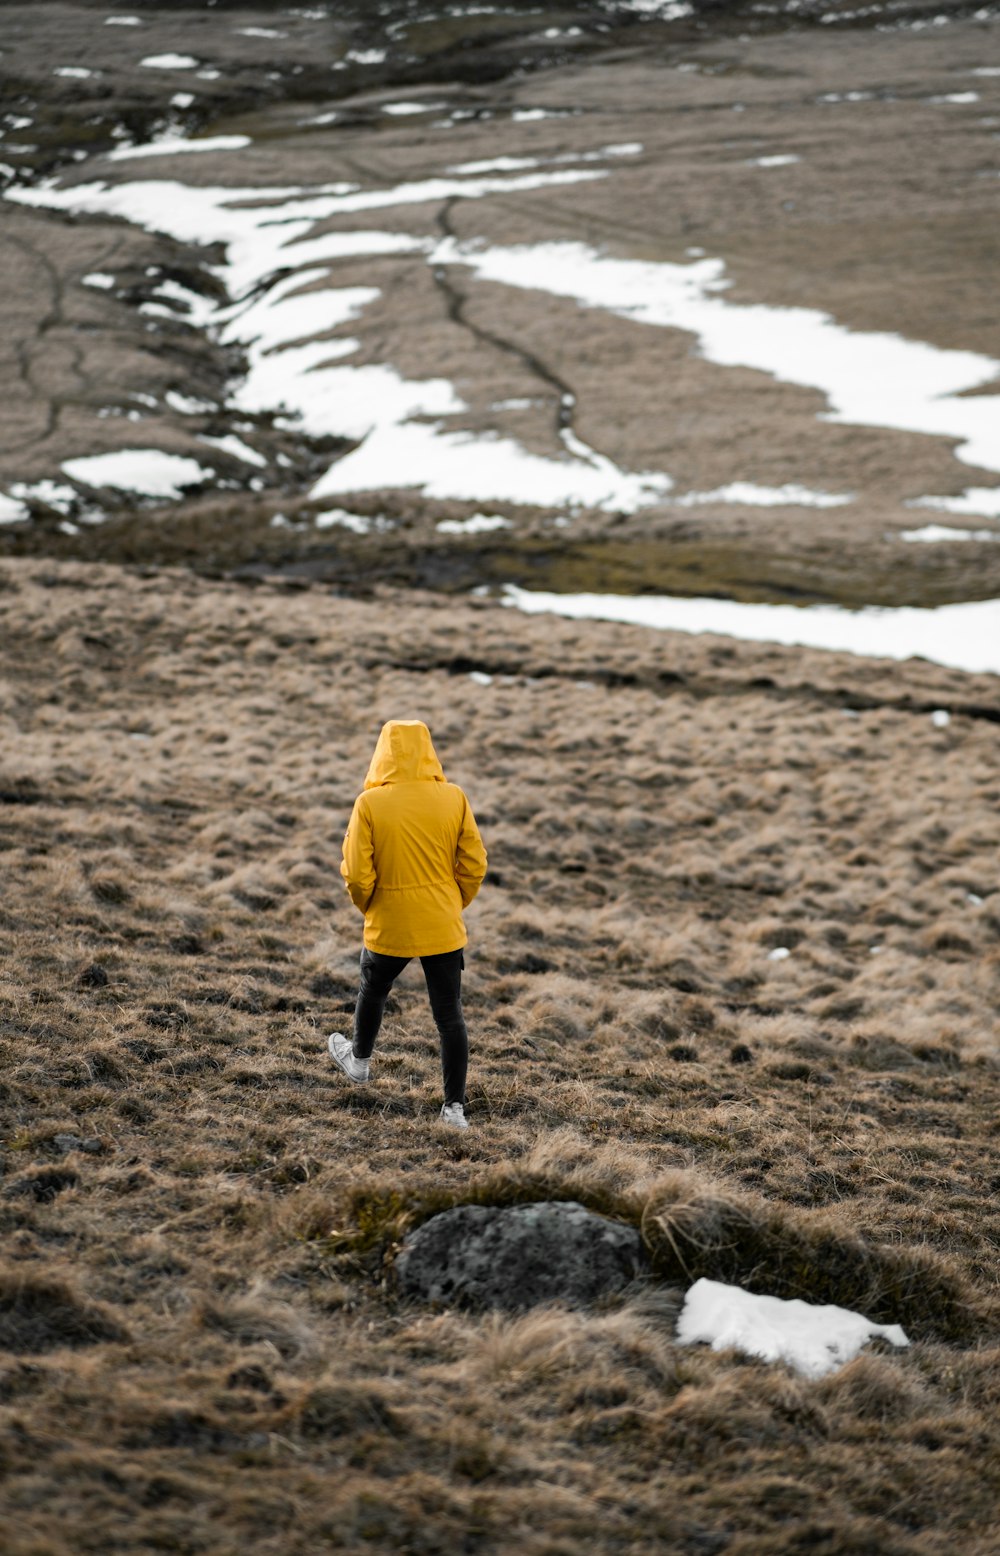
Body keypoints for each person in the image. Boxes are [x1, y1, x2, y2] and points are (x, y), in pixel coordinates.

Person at [328, 719, 487, 1129]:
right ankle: (454, 1109)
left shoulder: (370, 803)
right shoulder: (453, 797)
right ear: (428, 751)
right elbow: (474, 864)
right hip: (442, 924)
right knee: (449, 1015)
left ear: (383, 753)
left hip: (389, 922)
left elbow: (357, 875)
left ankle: (359, 1061)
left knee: (374, 989)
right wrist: (454, 902)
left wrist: (373, 907)